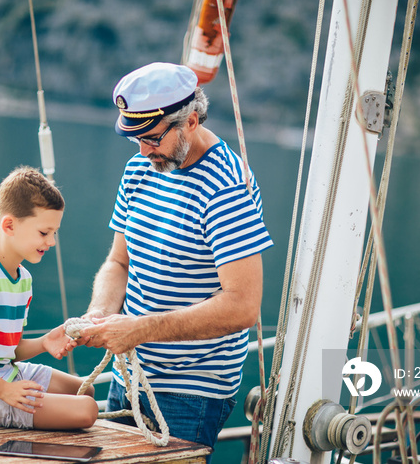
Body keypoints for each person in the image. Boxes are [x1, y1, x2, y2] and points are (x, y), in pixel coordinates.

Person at [78, 62, 274, 458]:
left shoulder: (227, 187)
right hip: (128, 375)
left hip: (191, 393)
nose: (143, 150)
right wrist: (99, 313)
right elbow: (119, 263)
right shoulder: (140, 167)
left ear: (191, 121)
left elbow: (243, 307)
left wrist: (139, 330)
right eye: (134, 139)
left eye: (151, 138)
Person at [0, 166, 98, 431]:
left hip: (5, 375)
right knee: (87, 410)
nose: (52, 242)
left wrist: (45, 342)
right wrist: (5, 390)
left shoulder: (22, 278)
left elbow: (7, 350)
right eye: (44, 233)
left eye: (54, 233)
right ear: (9, 225)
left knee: (85, 390)